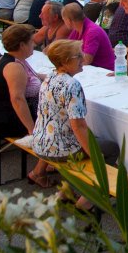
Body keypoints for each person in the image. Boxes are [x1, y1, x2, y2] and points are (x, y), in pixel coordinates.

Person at [32, 39, 118, 210]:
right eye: (78, 56)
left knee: (95, 142)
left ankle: (66, 191)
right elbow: (78, 126)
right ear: (64, 62)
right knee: (111, 148)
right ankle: (87, 199)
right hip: (60, 147)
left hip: (41, 141)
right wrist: (94, 154)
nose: (83, 58)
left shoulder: (50, 77)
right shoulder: (72, 85)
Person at [0, 24, 52, 186]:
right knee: (59, 125)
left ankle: (46, 164)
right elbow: (17, 99)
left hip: (7, 114)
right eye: (31, 41)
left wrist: (57, 76)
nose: (34, 44)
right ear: (22, 45)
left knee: (56, 117)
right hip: (8, 120)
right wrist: (32, 129)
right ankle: (40, 171)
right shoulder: (14, 66)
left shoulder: (15, 60)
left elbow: (36, 76)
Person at [62, 3, 115, 70]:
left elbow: (87, 60)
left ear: (68, 21)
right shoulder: (77, 30)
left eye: (64, 20)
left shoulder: (92, 31)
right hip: (93, 70)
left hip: (105, 72)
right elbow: (66, 49)